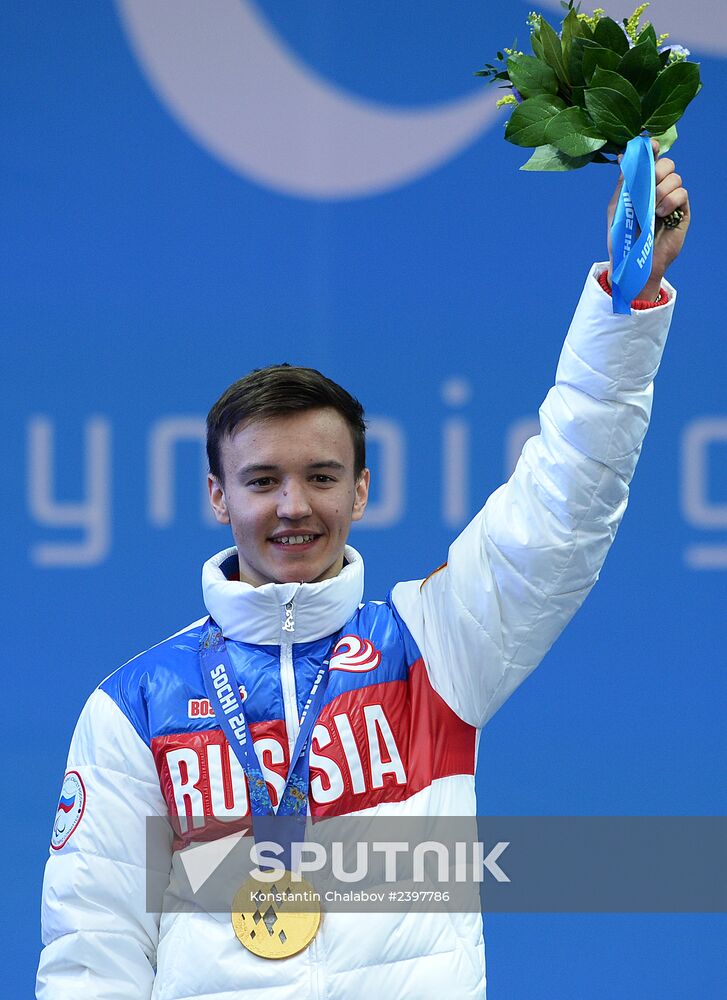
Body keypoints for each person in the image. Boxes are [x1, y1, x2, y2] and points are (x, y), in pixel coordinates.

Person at [37, 149, 690, 999]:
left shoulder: (435, 644)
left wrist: (623, 301)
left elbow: (566, 499)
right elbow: (93, 958)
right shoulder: (133, 708)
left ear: (362, 488)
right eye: (261, 481)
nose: (292, 507)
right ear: (216, 496)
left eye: (320, 476)